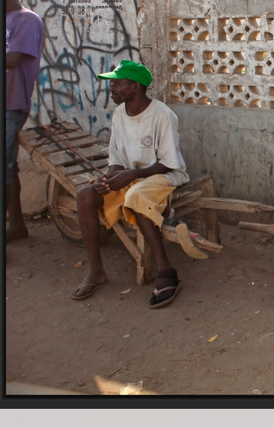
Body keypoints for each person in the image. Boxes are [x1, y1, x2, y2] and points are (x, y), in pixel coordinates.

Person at [70, 59, 196, 307]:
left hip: (164, 175)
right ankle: (96, 270)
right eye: (112, 84)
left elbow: (169, 162)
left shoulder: (162, 115)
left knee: (136, 197)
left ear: (136, 86)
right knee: (86, 195)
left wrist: (129, 176)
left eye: (117, 84)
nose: (112, 89)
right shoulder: (119, 113)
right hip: (134, 177)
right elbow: (116, 157)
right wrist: (110, 177)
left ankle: (166, 272)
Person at [4, 0, 44, 243]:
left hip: (11, 104)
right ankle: (16, 225)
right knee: (6, 169)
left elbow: (13, 59)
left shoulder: (26, 19)